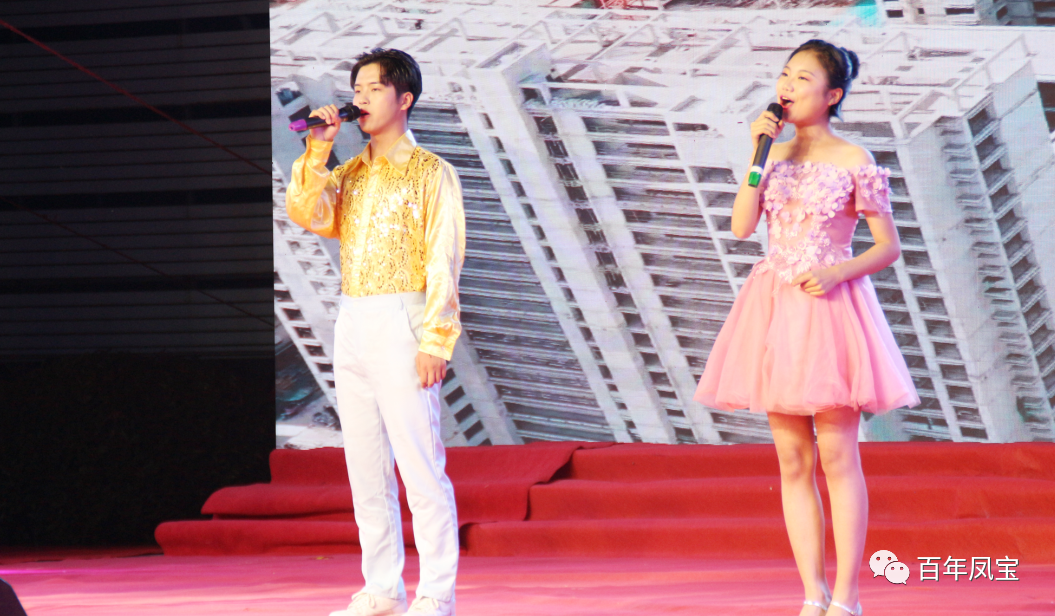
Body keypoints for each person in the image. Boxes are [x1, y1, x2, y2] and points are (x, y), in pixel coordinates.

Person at [694, 39, 919, 616]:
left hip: (829, 309)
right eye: (785, 75)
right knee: (792, 462)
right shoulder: (770, 155)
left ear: (833, 94)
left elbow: (888, 246)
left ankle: (847, 597)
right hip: (774, 310)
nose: (787, 86)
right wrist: (757, 155)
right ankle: (811, 595)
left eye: (802, 78)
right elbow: (742, 228)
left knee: (839, 457)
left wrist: (838, 271)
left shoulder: (854, 159)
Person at [285, 48, 464, 616]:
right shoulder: (349, 174)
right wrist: (318, 148)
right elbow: (307, 213)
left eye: (373, 89)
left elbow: (443, 258)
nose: (359, 99)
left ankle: (436, 594)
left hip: (404, 320)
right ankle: (382, 589)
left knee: (419, 466)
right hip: (355, 319)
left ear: (404, 99)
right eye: (356, 90)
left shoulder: (431, 171)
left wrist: (436, 339)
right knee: (365, 467)